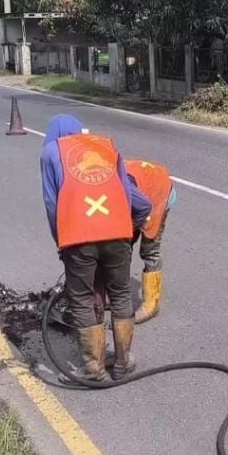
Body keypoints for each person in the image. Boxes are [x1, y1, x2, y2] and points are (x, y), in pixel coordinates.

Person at [40, 114, 151, 381]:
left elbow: (52, 204)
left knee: (81, 299)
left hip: (78, 237)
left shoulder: (50, 151)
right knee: (121, 294)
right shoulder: (106, 146)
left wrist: (61, 243)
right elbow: (127, 194)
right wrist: (126, 232)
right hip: (117, 232)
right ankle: (123, 362)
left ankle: (93, 368)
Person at [124, 159, 176, 324]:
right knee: (123, 247)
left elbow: (144, 207)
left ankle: (151, 305)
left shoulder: (122, 186)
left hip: (157, 195)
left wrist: (133, 226)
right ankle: (118, 296)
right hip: (141, 190)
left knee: (149, 249)